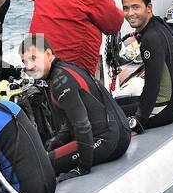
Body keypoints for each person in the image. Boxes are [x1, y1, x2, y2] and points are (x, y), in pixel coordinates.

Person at [20, 34, 129, 178]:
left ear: (48, 54)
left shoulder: (60, 81)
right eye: (24, 62)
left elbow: (82, 126)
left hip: (107, 141)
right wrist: (57, 141)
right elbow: (71, 121)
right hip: (119, 133)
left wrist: (82, 168)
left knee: (42, 165)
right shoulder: (66, 68)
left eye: (33, 58)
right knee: (50, 148)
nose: (29, 66)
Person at [117, 0, 173, 133]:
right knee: (113, 104)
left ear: (148, 8)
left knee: (104, 116)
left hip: (160, 111)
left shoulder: (150, 38)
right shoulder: (160, 24)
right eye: (126, 8)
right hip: (171, 107)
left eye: (136, 7)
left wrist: (139, 122)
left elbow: (152, 85)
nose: (130, 13)